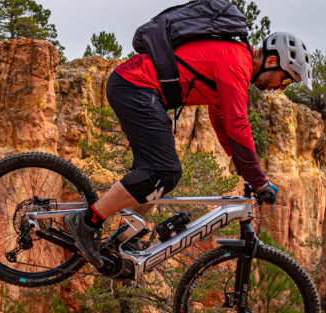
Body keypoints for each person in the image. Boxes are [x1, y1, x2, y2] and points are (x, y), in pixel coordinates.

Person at [66, 31, 312, 268]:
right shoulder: (236, 61)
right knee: (165, 171)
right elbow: (238, 124)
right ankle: (88, 222)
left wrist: (238, 163)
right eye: (287, 78)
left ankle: (124, 237)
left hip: (138, 90)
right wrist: (258, 180)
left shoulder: (235, 62)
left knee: (153, 179)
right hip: (135, 87)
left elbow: (220, 116)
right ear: (271, 60)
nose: (281, 88)